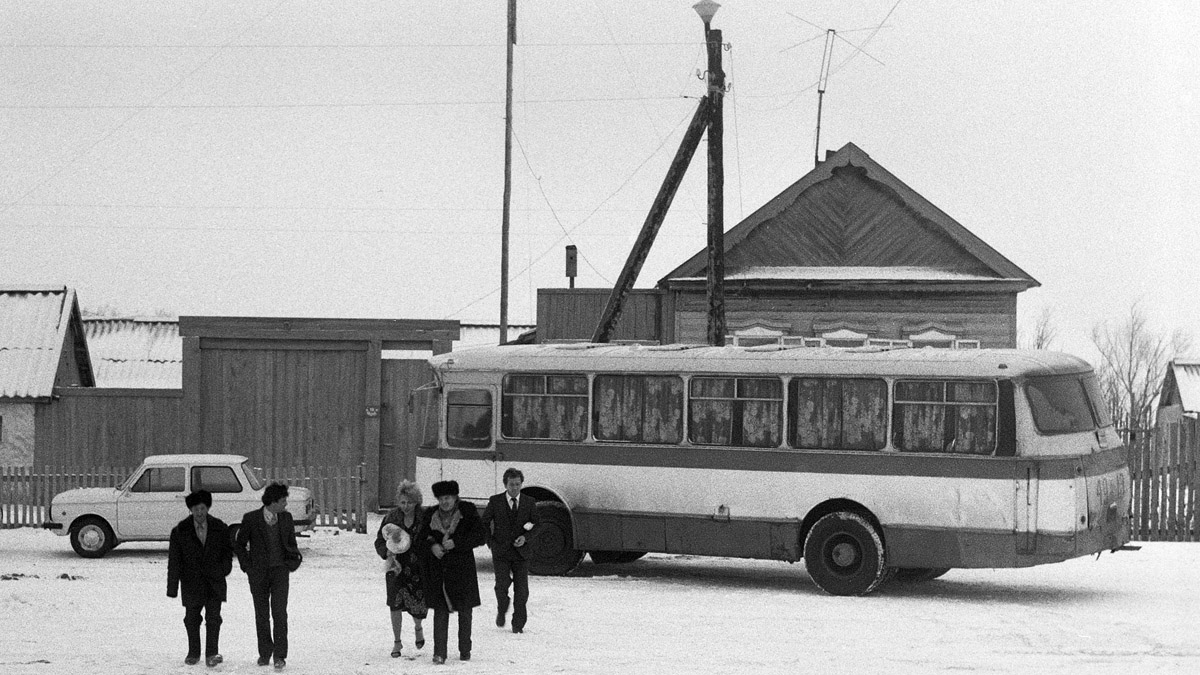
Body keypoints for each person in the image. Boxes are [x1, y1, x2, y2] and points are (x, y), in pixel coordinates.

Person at [235, 483, 302, 670]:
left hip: (280, 572)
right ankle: (264, 653)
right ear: (272, 502)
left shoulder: (286, 518)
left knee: (280, 613)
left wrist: (292, 561)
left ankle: (280, 655)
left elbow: (291, 543)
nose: (285, 505)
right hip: (258, 574)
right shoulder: (251, 519)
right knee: (262, 614)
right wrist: (247, 566)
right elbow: (239, 545)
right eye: (283, 501)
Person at [419, 480, 485, 664]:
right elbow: (421, 538)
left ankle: (465, 649)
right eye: (441, 499)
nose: (444, 502)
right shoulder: (431, 514)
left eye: (447, 498)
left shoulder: (468, 512)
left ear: (455, 497)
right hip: (439, 571)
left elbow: (480, 535)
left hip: (462, 570)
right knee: (440, 611)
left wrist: (457, 543)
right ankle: (439, 652)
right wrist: (432, 546)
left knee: (465, 611)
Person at [167, 489, 233, 667]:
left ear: (208, 508)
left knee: (214, 618)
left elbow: (228, 553)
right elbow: (174, 561)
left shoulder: (220, 527)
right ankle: (193, 653)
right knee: (192, 619)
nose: (200, 513)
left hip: (214, 581)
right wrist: (172, 587)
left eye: (203, 508)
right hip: (191, 582)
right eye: (196, 509)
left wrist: (223, 570)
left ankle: (211, 653)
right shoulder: (180, 531)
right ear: (191, 510)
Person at [481, 467, 540, 633]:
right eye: (511, 484)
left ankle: (518, 624)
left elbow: (537, 524)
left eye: (518, 484)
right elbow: (484, 522)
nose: (515, 488)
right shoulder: (495, 501)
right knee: (501, 585)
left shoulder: (529, 502)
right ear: (505, 485)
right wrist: (490, 542)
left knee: (522, 590)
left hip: (521, 553)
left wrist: (526, 538)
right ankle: (502, 606)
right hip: (501, 552)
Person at [373, 480, 428, 658]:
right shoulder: (391, 518)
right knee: (394, 603)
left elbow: (431, 539)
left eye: (410, 502)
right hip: (395, 566)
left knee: (417, 604)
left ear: (416, 501)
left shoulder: (424, 517)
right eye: (403, 502)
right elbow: (379, 540)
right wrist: (386, 552)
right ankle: (397, 642)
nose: (406, 506)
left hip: (417, 567)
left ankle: (418, 627)